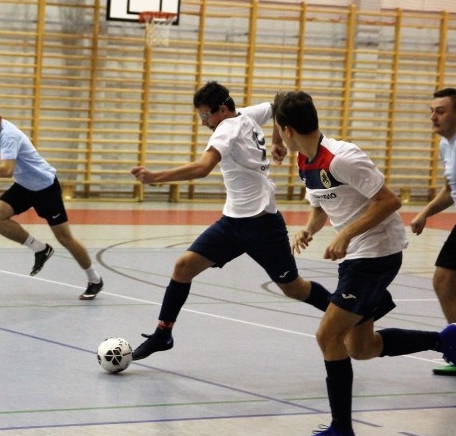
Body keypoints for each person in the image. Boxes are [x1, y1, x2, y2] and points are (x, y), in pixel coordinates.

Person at [274, 90, 456, 436]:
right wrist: (310, 229)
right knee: (361, 347)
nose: (276, 137)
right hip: (356, 256)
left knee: (328, 336)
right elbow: (322, 206)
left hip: (376, 253)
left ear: (288, 129)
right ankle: (446, 340)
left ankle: (342, 431)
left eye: (277, 130)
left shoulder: (342, 158)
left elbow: (390, 201)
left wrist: (345, 234)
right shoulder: (305, 161)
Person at [129, 81, 333, 362]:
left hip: (262, 226)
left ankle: (348, 313)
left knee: (294, 288)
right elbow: (278, 106)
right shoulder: (246, 114)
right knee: (183, 267)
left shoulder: (226, 128)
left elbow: (202, 168)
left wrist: (155, 178)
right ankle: (163, 334)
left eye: (205, 116)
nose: (204, 123)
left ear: (222, 109)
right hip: (233, 222)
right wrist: (275, 141)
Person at [0, 101, 103, 300]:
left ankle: (94, 279)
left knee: (65, 239)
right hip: (24, 186)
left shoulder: (9, 136)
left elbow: (7, 171)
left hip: (45, 188)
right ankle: (40, 248)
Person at [409, 87, 456, 376]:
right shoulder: (445, 146)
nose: (433, 117)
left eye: (441, 111)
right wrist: (425, 211)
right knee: (443, 281)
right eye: (432, 111)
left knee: (444, 279)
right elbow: (452, 189)